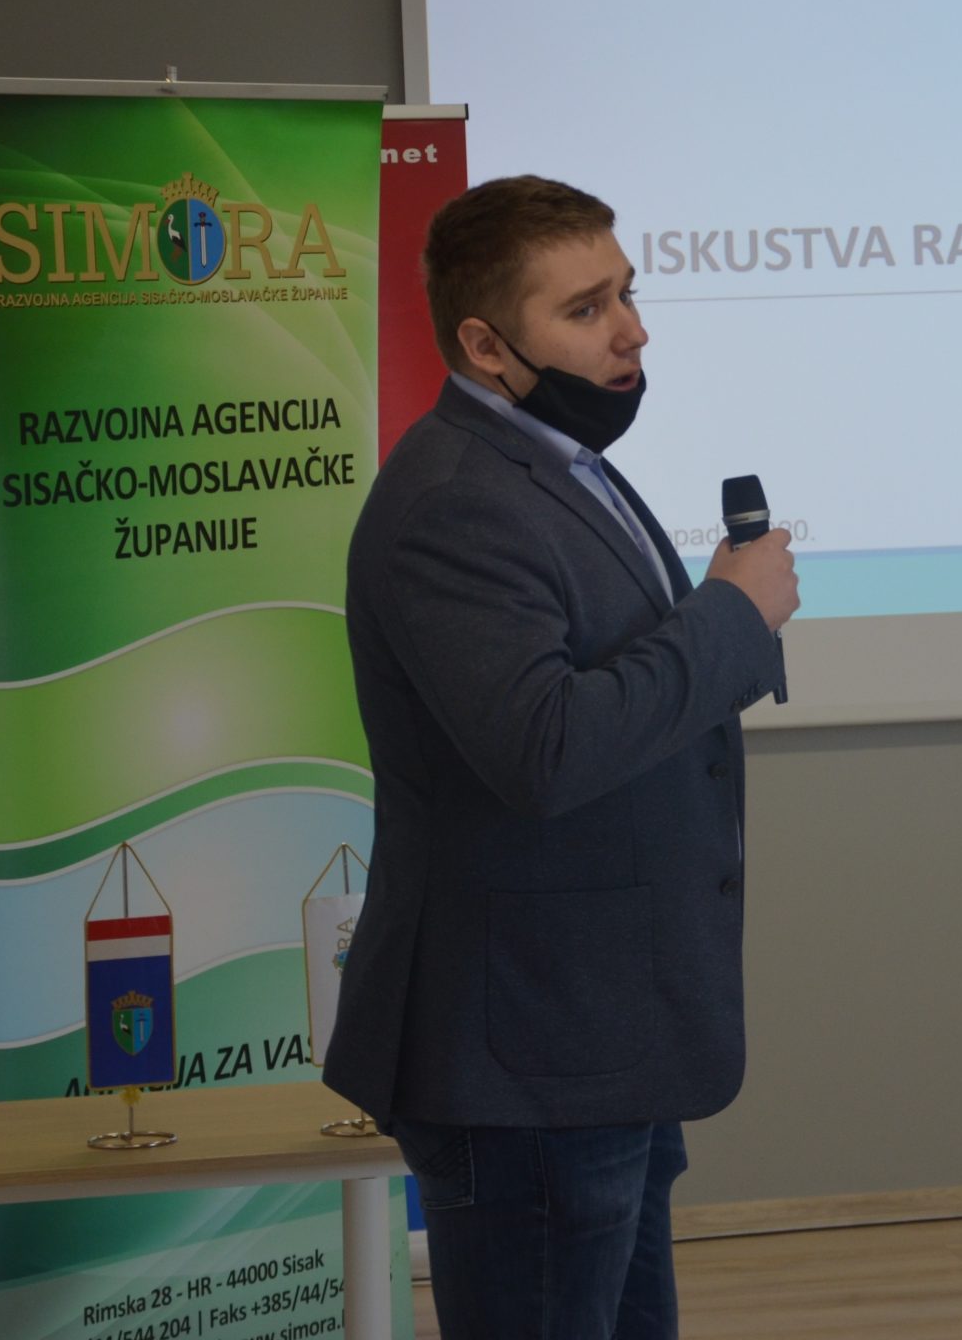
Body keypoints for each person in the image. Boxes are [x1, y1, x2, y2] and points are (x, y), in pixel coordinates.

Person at [324, 174, 798, 1340]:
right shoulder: (455, 501)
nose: (631, 331)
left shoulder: (551, 460)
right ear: (486, 345)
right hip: (526, 1055)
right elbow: (546, 748)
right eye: (585, 309)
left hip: (602, 1031)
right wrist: (731, 618)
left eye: (626, 293)